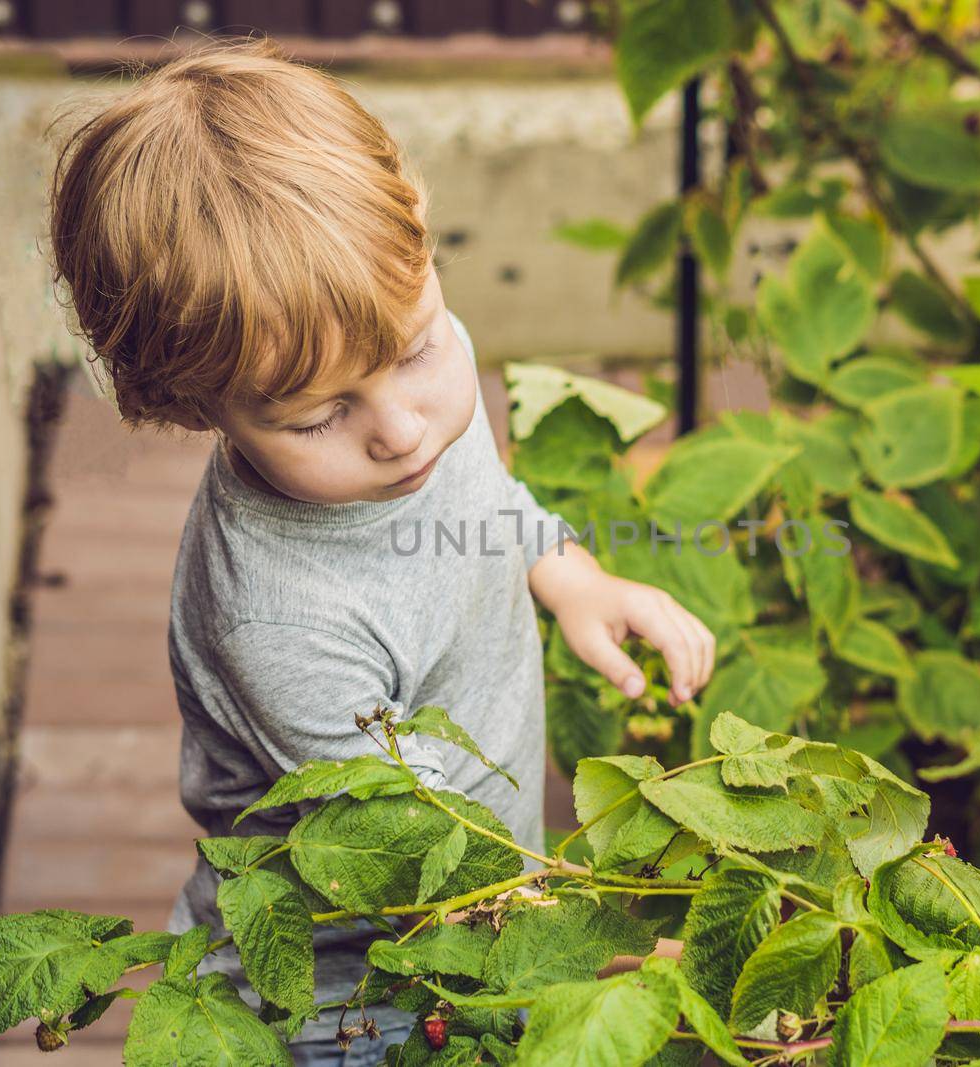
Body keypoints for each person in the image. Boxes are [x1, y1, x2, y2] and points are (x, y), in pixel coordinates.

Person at [44, 35, 714, 1066]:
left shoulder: (418, 403)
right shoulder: (279, 616)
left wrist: (573, 573)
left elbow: (484, 495)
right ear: (188, 403)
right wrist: (619, 943)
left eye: (417, 347)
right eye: (317, 416)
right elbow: (414, 847)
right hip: (354, 993)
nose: (402, 428)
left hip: (479, 914)